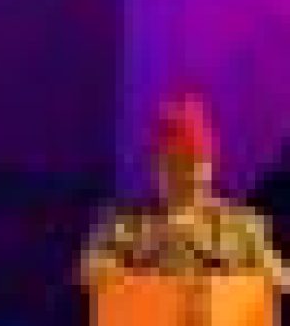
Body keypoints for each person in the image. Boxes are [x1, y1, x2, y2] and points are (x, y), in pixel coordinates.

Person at [81, 93, 288, 288]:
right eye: (171, 164)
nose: (182, 176)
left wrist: (226, 263)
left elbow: (279, 279)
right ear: (154, 167)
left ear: (211, 164)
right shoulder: (124, 225)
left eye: (190, 162)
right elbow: (90, 272)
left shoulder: (242, 226)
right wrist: (151, 244)